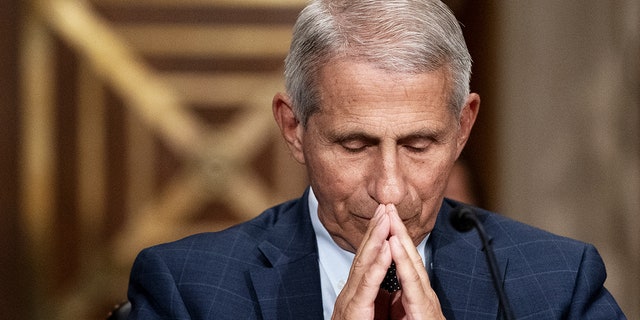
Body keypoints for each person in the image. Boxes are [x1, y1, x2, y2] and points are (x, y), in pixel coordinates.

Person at [126, 0, 626, 319]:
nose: (389, 189)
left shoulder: (560, 285)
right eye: (355, 145)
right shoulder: (185, 291)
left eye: (418, 145)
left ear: (463, 128)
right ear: (293, 128)